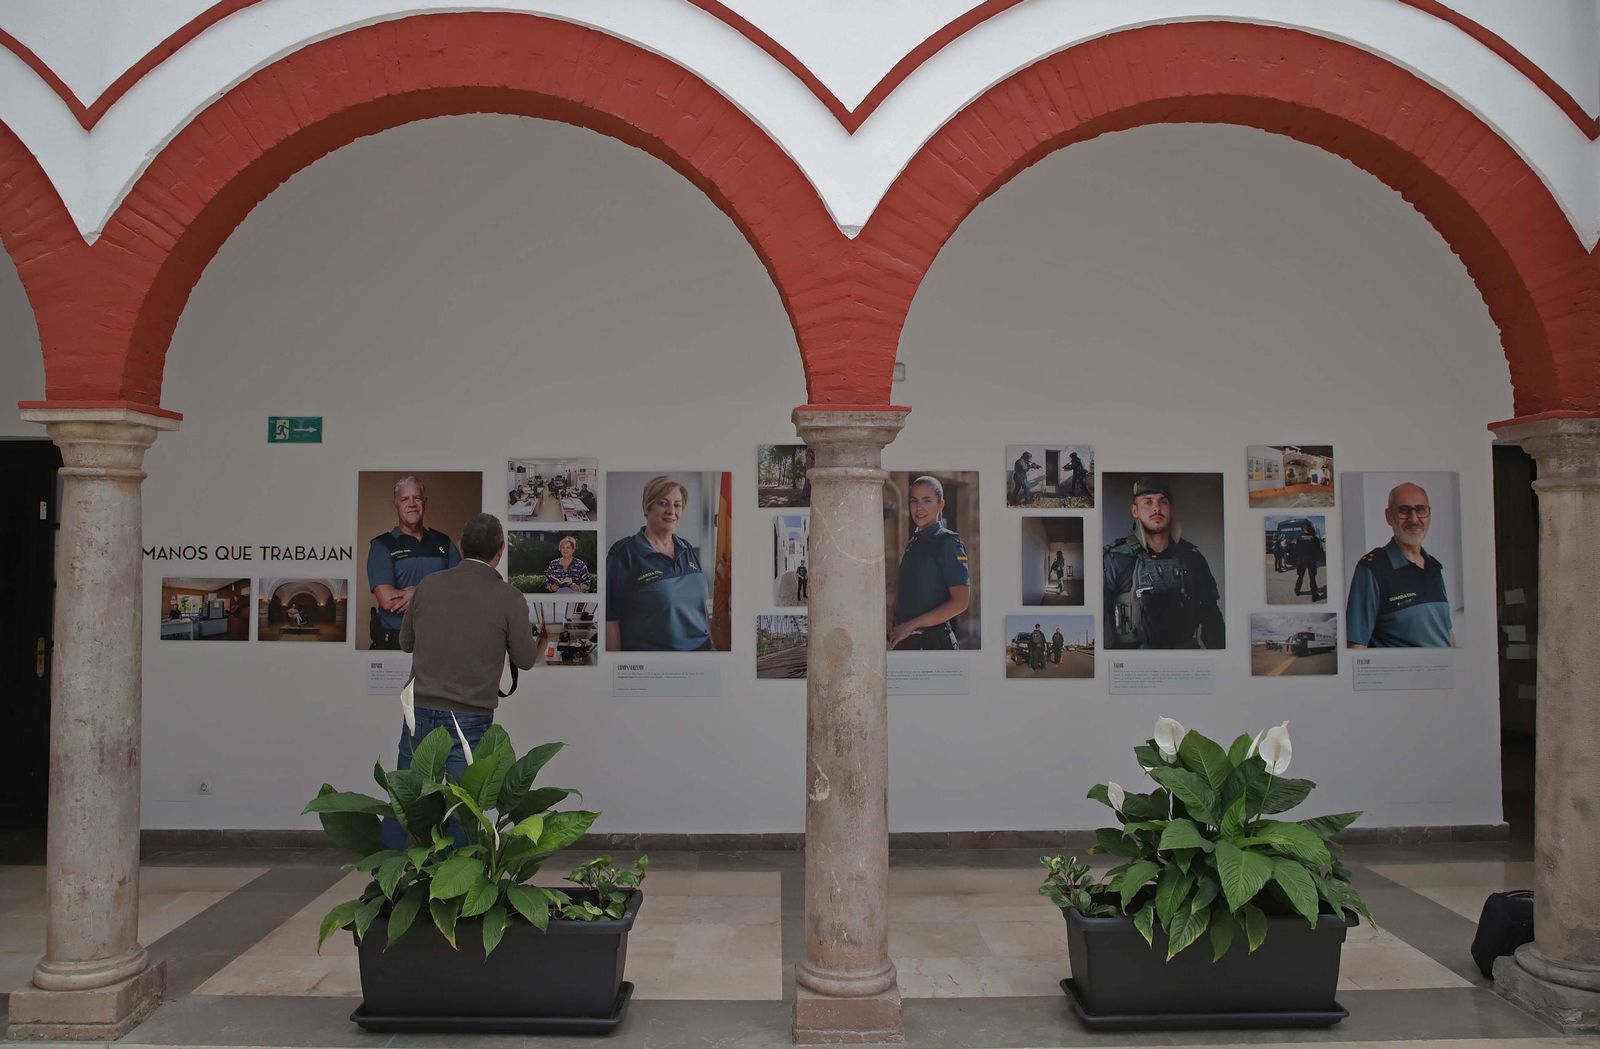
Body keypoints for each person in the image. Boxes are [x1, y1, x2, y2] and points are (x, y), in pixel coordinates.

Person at [382, 513, 538, 849]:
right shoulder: (509, 597)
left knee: (405, 802)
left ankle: (390, 883)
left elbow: (406, 643)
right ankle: (455, 893)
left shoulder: (427, 586)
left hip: (419, 711)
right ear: (500, 551)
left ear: (459, 545)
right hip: (470, 717)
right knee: (464, 809)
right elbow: (525, 660)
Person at [1103, 476, 1225, 649]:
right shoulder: (1114, 560)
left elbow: (1213, 621)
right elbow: (1102, 628)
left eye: (1163, 502)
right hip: (1135, 667)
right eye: (1148, 502)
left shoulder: (1193, 559)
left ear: (1171, 509)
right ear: (1135, 511)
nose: (1156, 508)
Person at [606, 476, 712, 651]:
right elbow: (610, 619)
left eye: (677, 505)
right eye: (663, 503)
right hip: (656, 665)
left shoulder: (688, 550)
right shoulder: (624, 553)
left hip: (701, 657)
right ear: (647, 507)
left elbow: (700, 610)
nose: (671, 511)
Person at [1347, 482, 1456, 647]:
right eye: (1404, 510)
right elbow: (1356, 645)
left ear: (1429, 514)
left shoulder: (1434, 566)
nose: (1413, 519)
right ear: (1389, 516)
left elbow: (1446, 632)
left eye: (1421, 510)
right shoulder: (1372, 569)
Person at [366, 476, 461, 649]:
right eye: (404, 499)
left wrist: (418, 593)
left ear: (425, 502)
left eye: (417, 498)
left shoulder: (444, 543)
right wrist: (438, 595)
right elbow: (388, 600)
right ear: (396, 505)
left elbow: (461, 591)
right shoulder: (382, 545)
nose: (411, 504)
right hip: (396, 645)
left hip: (440, 644)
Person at [889, 476, 972, 649]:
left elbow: (961, 602)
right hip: (906, 641)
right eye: (914, 501)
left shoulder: (948, 542)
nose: (919, 508)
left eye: (927, 501)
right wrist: (892, 616)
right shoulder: (914, 542)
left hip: (934, 643)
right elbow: (908, 586)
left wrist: (910, 625)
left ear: (940, 505)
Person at [1293, 521, 1325, 600]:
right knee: (1312, 578)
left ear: (1303, 529)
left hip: (1301, 560)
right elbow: (1319, 551)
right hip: (1311, 560)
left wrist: (1297, 559)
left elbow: (1296, 550)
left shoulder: (1299, 538)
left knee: (1300, 576)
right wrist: (1318, 560)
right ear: (1310, 529)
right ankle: (1314, 596)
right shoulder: (1315, 538)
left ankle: (1297, 591)